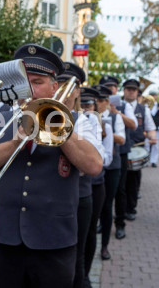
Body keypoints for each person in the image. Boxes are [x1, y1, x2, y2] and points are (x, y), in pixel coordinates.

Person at [0, 44, 103, 287]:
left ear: (55, 87)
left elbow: (94, 165)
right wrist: (16, 140)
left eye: (38, 82)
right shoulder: (0, 116)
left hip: (55, 239)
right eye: (23, 81)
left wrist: (57, 126)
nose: (29, 89)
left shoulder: (80, 121)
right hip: (5, 237)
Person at [57, 64, 104, 288]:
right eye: (60, 83)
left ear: (77, 91)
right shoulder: (34, 112)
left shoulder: (88, 120)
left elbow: (95, 164)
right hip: (50, 200)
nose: (64, 90)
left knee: (77, 255)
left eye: (70, 85)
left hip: (80, 196)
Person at [81, 86, 114, 288]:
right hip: (76, 186)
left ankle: (85, 273)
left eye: (88, 104)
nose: (85, 108)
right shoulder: (73, 120)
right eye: (82, 103)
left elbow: (107, 159)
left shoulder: (103, 125)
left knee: (90, 231)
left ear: (95, 105)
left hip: (95, 184)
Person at [98, 75, 137, 240]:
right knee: (100, 190)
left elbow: (133, 125)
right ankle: (102, 221)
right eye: (108, 86)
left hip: (119, 153)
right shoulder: (96, 103)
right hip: (100, 152)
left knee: (119, 190)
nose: (111, 89)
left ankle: (120, 223)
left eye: (113, 86)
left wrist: (117, 113)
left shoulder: (123, 105)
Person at [92, 84, 126, 262]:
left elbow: (122, 138)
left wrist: (108, 133)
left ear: (107, 102)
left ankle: (104, 246)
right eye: (96, 100)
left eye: (102, 100)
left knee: (107, 206)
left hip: (111, 168)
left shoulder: (114, 117)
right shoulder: (87, 116)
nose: (99, 103)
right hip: (91, 169)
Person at [122, 79, 156, 222]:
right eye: (128, 89)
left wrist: (152, 137)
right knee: (119, 185)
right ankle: (120, 211)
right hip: (120, 151)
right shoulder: (116, 107)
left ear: (137, 92)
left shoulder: (144, 110)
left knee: (133, 183)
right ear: (123, 90)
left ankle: (131, 209)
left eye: (133, 89)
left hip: (137, 149)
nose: (131, 91)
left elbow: (150, 128)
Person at [147, 91, 159, 167]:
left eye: (154, 95)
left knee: (155, 145)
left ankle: (154, 161)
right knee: (146, 144)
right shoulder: (146, 105)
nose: (153, 97)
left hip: (156, 127)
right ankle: (146, 160)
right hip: (147, 128)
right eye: (151, 95)